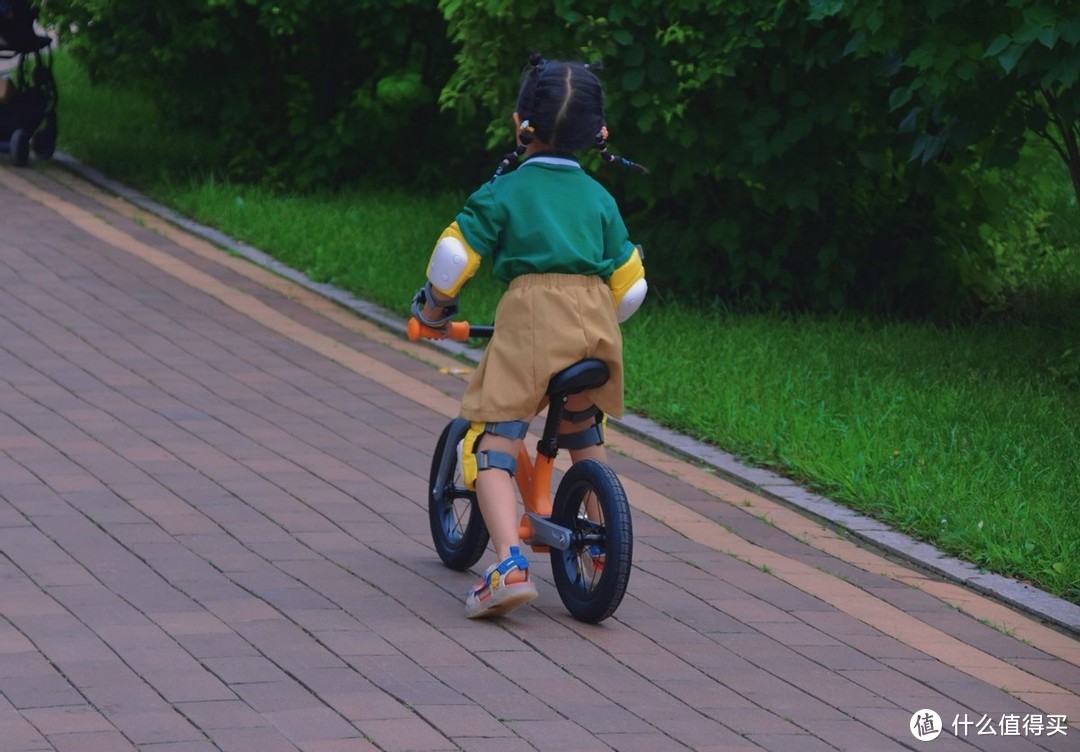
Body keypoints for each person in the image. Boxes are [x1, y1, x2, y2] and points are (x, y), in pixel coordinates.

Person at [411, 53, 648, 618]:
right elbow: (631, 286)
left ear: (522, 124)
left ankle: (509, 565)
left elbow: (452, 257)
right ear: (600, 134)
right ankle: (595, 530)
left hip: (531, 327)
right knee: (583, 436)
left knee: (494, 443)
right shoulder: (599, 198)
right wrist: (591, 318)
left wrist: (435, 310)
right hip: (594, 333)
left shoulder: (506, 191)